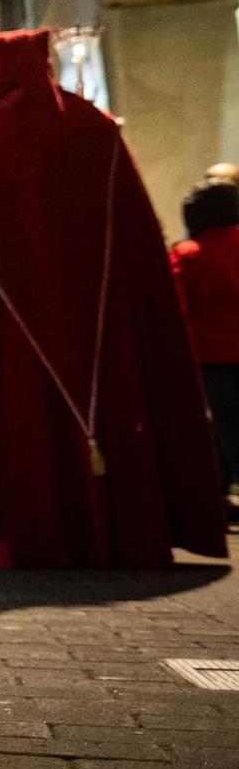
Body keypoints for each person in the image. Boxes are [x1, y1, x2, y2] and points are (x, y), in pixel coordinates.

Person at [0, 28, 226, 568]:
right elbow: (139, 242)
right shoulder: (95, 129)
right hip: (99, 321)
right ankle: (120, 524)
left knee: (22, 418)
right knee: (113, 397)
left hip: (12, 334)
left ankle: (32, 527)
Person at [171, 175, 239, 519]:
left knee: (225, 428)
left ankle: (216, 495)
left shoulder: (190, 253)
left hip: (210, 355)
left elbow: (175, 308)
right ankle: (219, 495)